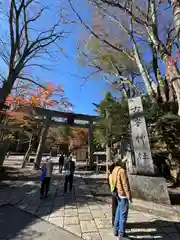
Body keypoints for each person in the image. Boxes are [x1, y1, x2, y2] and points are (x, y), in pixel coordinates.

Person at [112, 157, 132, 238]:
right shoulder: (122, 171)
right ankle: (121, 233)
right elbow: (125, 184)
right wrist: (129, 196)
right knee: (123, 214)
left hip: (117, 192)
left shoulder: (114, 170)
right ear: (120, 163)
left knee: (118, 212)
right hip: (123, 194)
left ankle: (115, 230)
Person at [108, 163, 118, 227]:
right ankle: (116, 223)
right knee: (117, 208)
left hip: (112, 192)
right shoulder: (114, 175)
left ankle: (113, 222)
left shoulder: (109, 176)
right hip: (116, 192)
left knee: (114, 209)